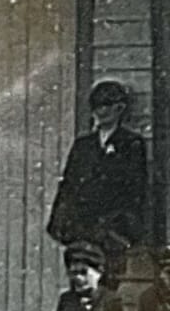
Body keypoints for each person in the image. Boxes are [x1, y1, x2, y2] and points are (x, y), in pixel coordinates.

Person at [48, 80, 150, 279]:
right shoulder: (83, 145)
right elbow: (68, 185)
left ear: (120, 109)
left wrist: (118, 229)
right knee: (82, 281)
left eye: (107, 106)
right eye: (97, 106)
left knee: (109, 286)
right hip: (82, 231)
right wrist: (62, 225)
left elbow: (134, 191)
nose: (100, 112)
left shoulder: (131, 144)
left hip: (112, 233)